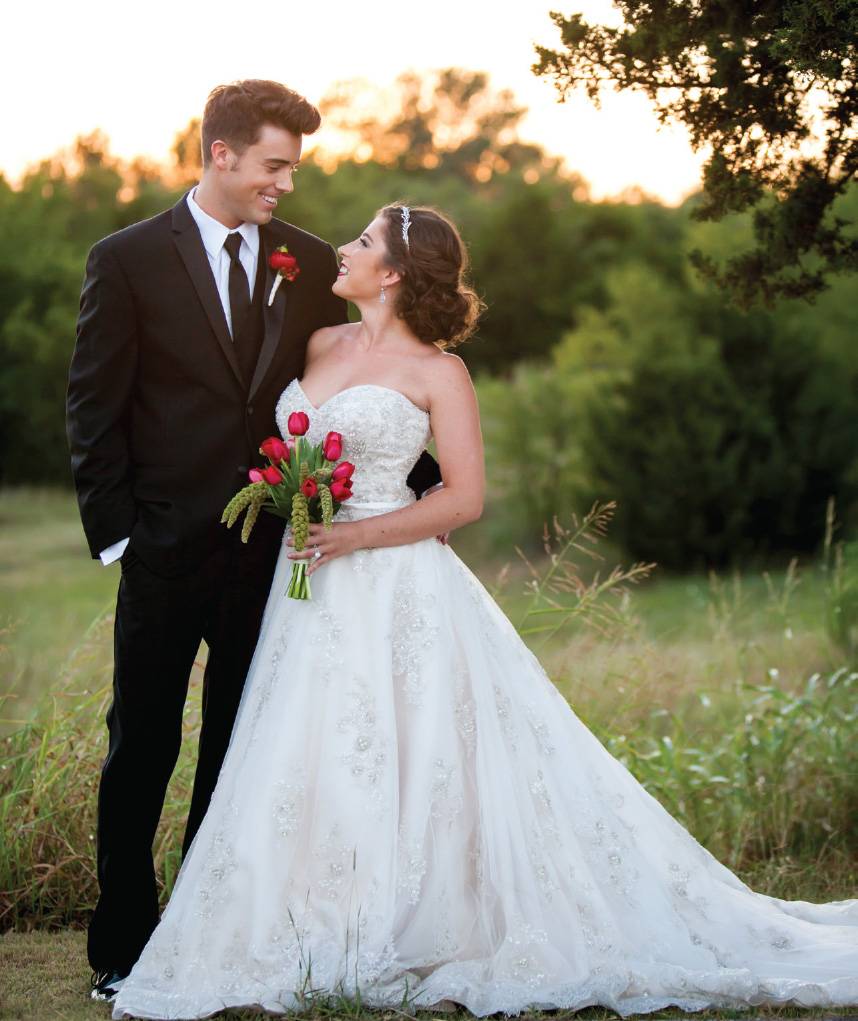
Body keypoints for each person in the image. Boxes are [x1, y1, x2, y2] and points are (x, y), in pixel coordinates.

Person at [113, 205, 857, 1020]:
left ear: (392, 272)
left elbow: (463, 499)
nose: (345, 250)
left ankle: (416, 919)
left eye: (362, 243)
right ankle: (313, 917)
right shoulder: (320, 344)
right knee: (313, 750)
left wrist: (355, 533)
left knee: (416, 747)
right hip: (308, 593)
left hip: (393, 581)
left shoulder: (441, 374)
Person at [66, 83, 442, 1003]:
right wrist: (118, 537)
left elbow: (369, 362)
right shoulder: (125, 260)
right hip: (159, 548)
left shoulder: (307, 259)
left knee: (241, 749)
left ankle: (209, 928)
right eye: (275, 165)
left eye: (293, 169)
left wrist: (407, 486)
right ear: (222, 155)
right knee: (141, 741)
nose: (286, 183)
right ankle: (120, 940)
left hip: (277, 555)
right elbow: (93, 404)